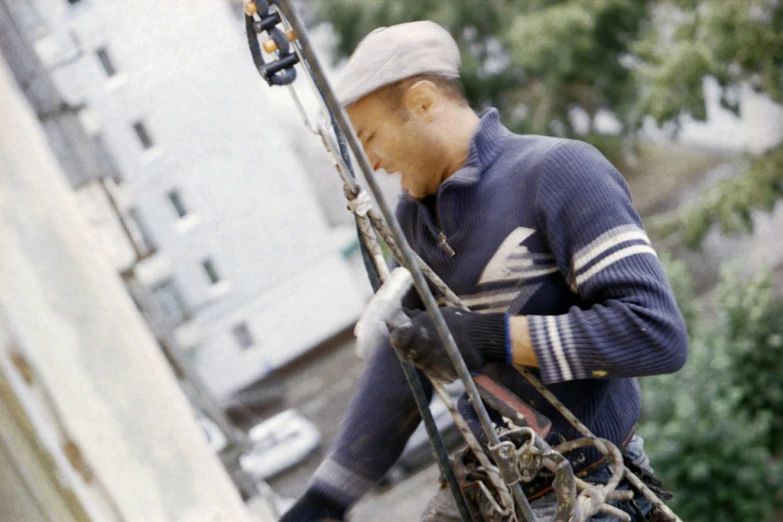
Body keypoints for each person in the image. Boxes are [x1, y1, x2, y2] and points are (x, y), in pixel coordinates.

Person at [281, 20, 688, 522]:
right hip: (489, 490)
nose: (372, 164)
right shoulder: (412, 225)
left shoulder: (559, 173)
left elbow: (655, 334)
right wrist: (328, 498)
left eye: (369, 137)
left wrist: (490, 337)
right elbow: (402, 368)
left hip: (590, 491)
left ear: (424, 102)